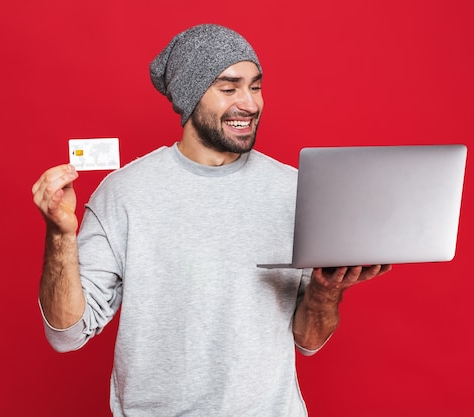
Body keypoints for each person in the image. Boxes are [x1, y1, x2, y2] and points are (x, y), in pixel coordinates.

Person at [32, 23, 391, 417]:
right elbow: (66, 334)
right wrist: (60, 236)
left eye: (255, 87)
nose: (250, 104)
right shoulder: (124, 194)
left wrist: (326, 291)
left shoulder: (297, 191)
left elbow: (308, 340)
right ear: (190, 96)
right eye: (229, 88)